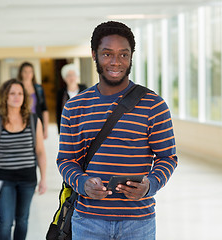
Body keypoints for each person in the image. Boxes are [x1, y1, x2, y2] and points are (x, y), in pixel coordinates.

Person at [56, 21, 178, 240]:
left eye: (123, 54)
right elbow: (66, 160)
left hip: (138, 221)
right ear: (94, 55)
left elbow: (167, 157)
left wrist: (151, 184)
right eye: (107, 54)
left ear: (131, 56)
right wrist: (83, 183)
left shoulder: (154, 105)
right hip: (88, 221)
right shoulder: (74, 107)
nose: (116, 62)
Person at [0, 79, 47, 240]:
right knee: (6, 221)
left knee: (22, 221)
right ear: (5, 97)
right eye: (12, 93)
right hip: (3, 179)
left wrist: (43, 178)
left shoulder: (33, 120)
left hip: (28, 179)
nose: (17, 97)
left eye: (20, 94)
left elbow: (40, 151)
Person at [17, 62, 49, 139]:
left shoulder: (39, 88)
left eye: (30, 71)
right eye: (25, 71)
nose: (28, 74)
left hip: (36, 123)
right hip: (20, 123)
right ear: (21, 73)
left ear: (33, 73)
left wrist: (46, 129)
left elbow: (44, 109)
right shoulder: (17, 87)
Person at [56, 63, 87, 133]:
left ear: (77, 76)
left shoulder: (84, 89)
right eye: (68, 75)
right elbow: (58, 112)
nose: (71, 77)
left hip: (83, 125)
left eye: (73, 75)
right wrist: (60, 130)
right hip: (68, 126)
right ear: (64, 78)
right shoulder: (61, 92)